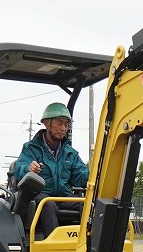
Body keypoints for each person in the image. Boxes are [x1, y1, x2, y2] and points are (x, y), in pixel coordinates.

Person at [12, 102, 89, 239]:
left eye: (66, 125)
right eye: (59, 124)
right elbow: (19, 167)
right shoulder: (31, 148)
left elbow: (80, 175)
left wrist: (93, 173)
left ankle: (84, 245)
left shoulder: (70, 153)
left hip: (63, 196)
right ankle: (52, 245)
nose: (63, 128)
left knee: (87, 204)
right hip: (39, 195)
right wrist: (29, 169)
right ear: (47, 124)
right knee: (47, 204)